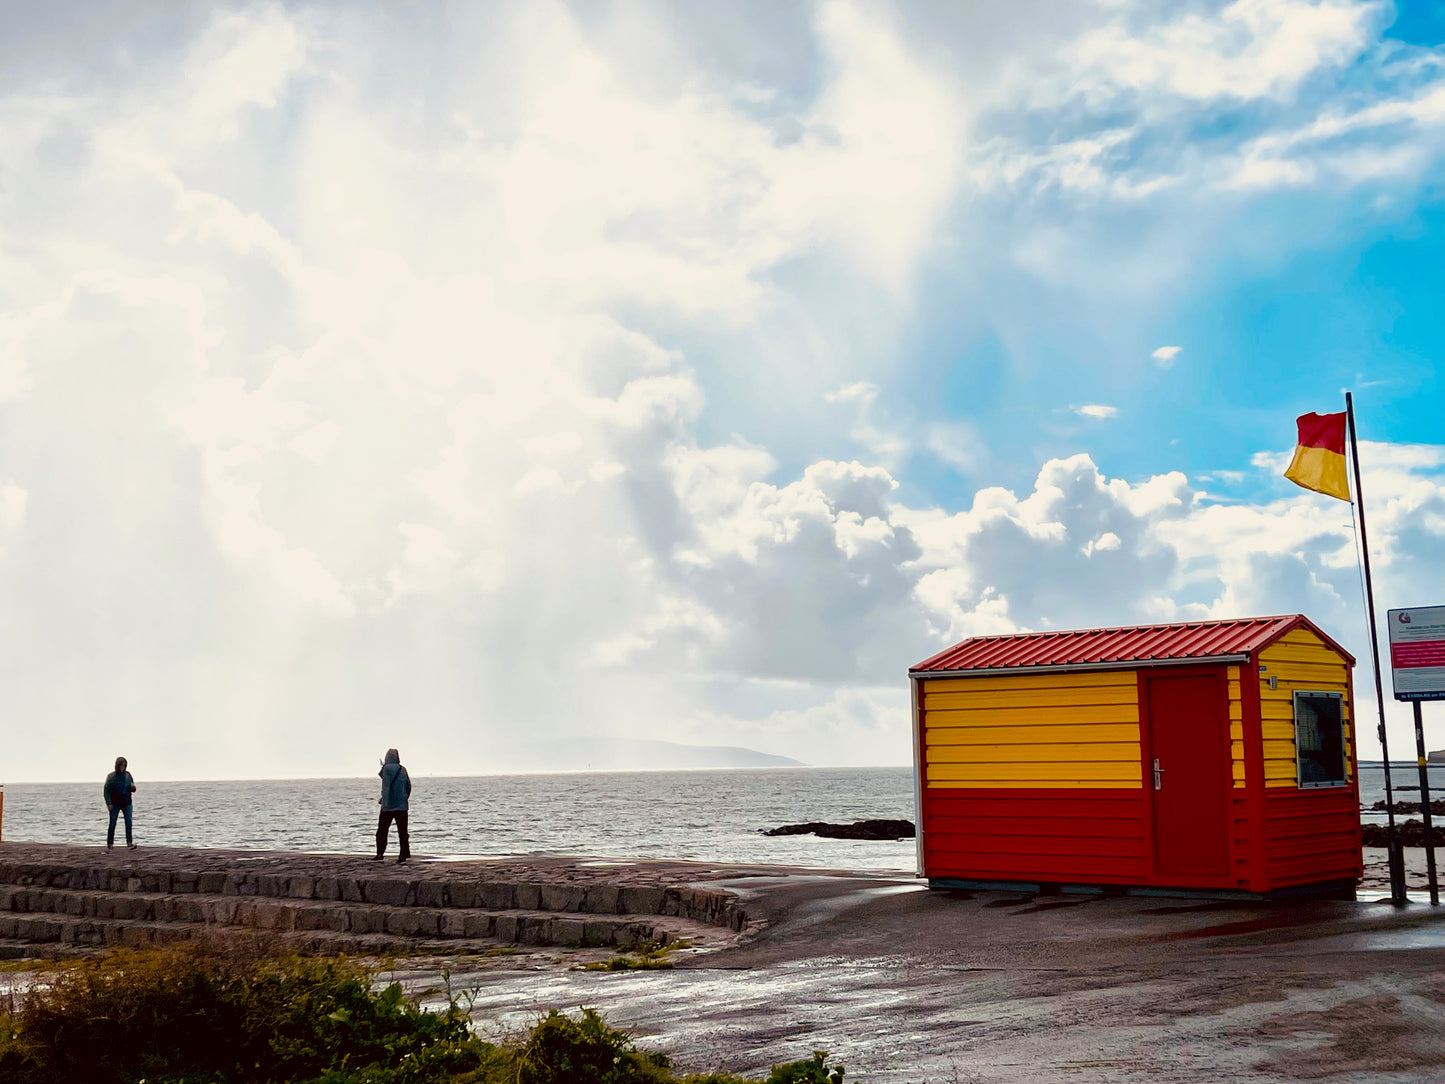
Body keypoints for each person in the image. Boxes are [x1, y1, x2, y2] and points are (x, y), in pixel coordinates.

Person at [375, 748, 411, 863]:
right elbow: (408, 786)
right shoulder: (403, 769)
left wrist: (383, 765)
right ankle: (403, 855)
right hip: (402, 806)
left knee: (382, 831)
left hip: (388, 806)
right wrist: (404, 798)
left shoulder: (386, 769)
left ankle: (380, 853)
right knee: (403, 832)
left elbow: (383, 779)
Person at [103, 756, 137, 850]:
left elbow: (132, 786)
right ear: (117, 766)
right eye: (121, 765)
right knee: (113, 823)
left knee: (129, 822)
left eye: (124, 765)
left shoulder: (128, 775)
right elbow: (106, 791)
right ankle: (110, 843)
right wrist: (109, 803)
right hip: (115, 803)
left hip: (127, 802)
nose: (123, 767)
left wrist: (133, 788)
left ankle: (129, 842)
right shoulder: (111, 777)